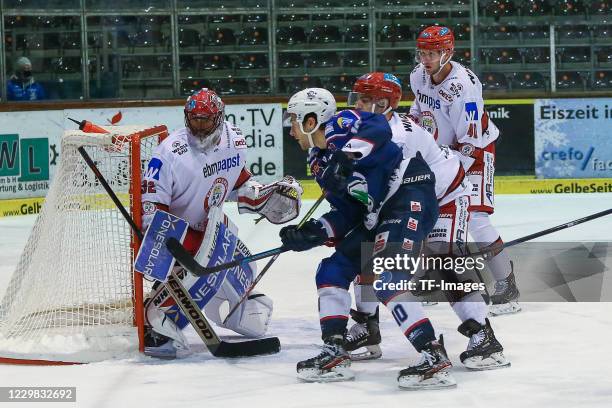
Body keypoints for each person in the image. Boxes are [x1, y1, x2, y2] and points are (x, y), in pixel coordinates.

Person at [281, 88, 456, 390]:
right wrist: (312, 232)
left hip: (407, 194)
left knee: (387, 279)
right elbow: (349, 212)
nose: (291, 130)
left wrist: (347, 155)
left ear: (311, 120)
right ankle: (334, 350)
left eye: (294, 121)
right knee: (332, 270)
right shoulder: (318, 160)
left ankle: (433, 356)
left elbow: (379, 128)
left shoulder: (342, 123)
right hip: (377, 213)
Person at [345, 72, 509, 371]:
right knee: (369, 250)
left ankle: (482, 334)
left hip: (444, 194)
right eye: (358, 97)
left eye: (365, 99)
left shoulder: (397, 137)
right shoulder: (369, 129)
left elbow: (386, 190)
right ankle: (366, 327)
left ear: (383, 104)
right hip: (411, 196)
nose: (358, 103)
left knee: (442, 258)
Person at [140, 88, 303, 359]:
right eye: (194, 119)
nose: (200, 127)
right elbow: (152, 215)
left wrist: (257, 194)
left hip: (213, 227)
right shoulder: (168, 153)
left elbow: (237, 175)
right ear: (186, 117)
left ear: (219, 118)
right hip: (181, 236)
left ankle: (227, 299)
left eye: (206, 120)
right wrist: (174, 252)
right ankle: (157, 320)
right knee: (203, 272)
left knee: (246, 271)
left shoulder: (234, 138)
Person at [409, 26, 520, 316]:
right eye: (422, 52)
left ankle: (506, 284)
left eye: (432, 53)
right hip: (440, 153)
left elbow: (470, 140)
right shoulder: (418, 75)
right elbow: (419, 109)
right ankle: (433, 277)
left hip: (475, 153)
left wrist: (451, 173)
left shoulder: (463, 88)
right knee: (428, 212)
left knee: (474, 217)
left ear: (448, 52)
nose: (426, 59)